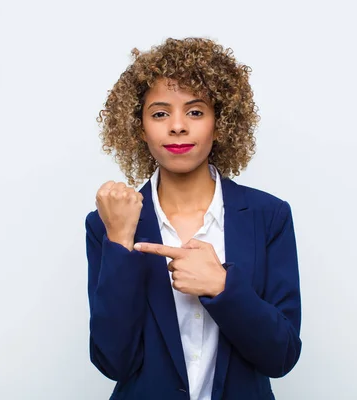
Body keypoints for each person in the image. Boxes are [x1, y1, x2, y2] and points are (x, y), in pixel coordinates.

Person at [85, 37, 302, 400]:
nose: (178, 126)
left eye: (196, 112)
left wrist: (222, 287)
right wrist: (120, 242)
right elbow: (113, 362)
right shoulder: (105, 222)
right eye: (159, 113)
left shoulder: (269, 215)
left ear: (220, 124)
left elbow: (280, 356)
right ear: (140, 127)